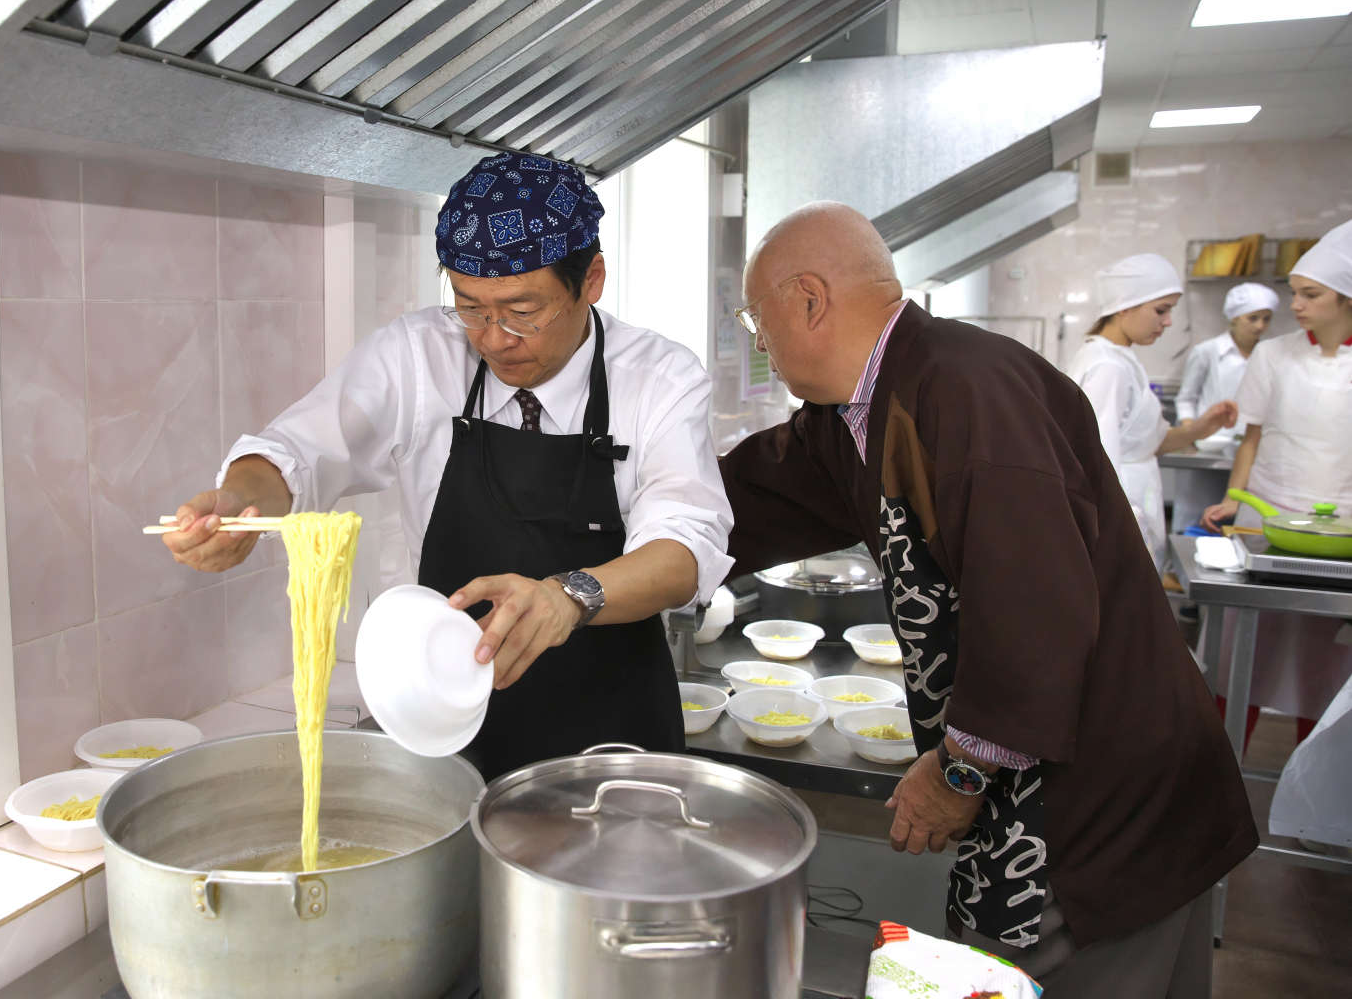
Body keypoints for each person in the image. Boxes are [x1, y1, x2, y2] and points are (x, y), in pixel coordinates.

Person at [717, 202, 1256, 996]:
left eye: (756, 319)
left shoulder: (968, 388)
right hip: (1036, 787)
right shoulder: (857, 414)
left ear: (808, 299)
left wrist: (958, 774)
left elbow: (1040, 615)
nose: (758, 341)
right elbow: (741, 500)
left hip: (1103, 802)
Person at [161, 152, 732, 778]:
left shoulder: (659, 378)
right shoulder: (415, 354)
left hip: (615, 747)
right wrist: (242, 502)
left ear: (591, 280)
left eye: (522, 311)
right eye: (471, 307)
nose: (492, 338)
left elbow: (684, 547)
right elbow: (297, 452)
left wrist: (570, 595)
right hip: (446, 727)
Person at [1200, 219, 1352, 751]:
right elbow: (1252, 439)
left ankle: (1315, 799)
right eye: (1296, 294)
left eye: (1311, 295)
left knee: (1329, 666)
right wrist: (1231, 502)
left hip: (1341, 534)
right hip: (1267, 519)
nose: (1297, 306)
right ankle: (1220, 774)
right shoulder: (1274, 354)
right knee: (1243, 655)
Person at [1066, 254, 1237, 569]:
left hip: (1133, 499)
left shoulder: (1120, 358)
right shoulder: (1108, 367)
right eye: (1161, 310)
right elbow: (1099, 455)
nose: (1168, 321)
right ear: (1124, 306)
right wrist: (1117, 527)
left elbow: (1149, 442)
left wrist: (1203, 426)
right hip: (1124, 509)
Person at [1169, 281, 1280, 534]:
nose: (1260, 326)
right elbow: (1186, 398)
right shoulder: (1207, 351)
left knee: (1236, 521)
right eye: (1253, 318)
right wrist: (1192, 431)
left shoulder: (1270, 354)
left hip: (1250, 450)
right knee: (1196, 514)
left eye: (1266, 319)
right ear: (1234, 317)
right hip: (1208, 447)